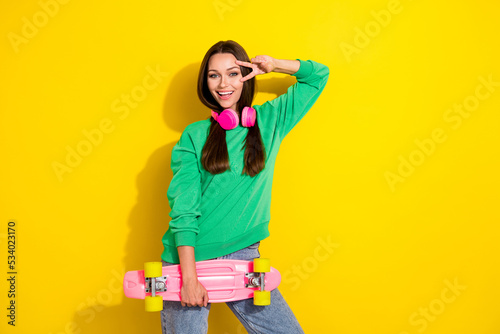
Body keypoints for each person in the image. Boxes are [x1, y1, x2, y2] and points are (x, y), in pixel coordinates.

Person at [160, 40, 329, 334]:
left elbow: (318, 76)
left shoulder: (269, 121)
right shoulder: (194, 136)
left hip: (244, 257)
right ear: (205, 81)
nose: (223, 83)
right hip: (188, 260)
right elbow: (184, 209)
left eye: (233, 73)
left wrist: (275, 65)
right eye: (214, 75)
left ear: (245, 77)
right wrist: (189, 278)